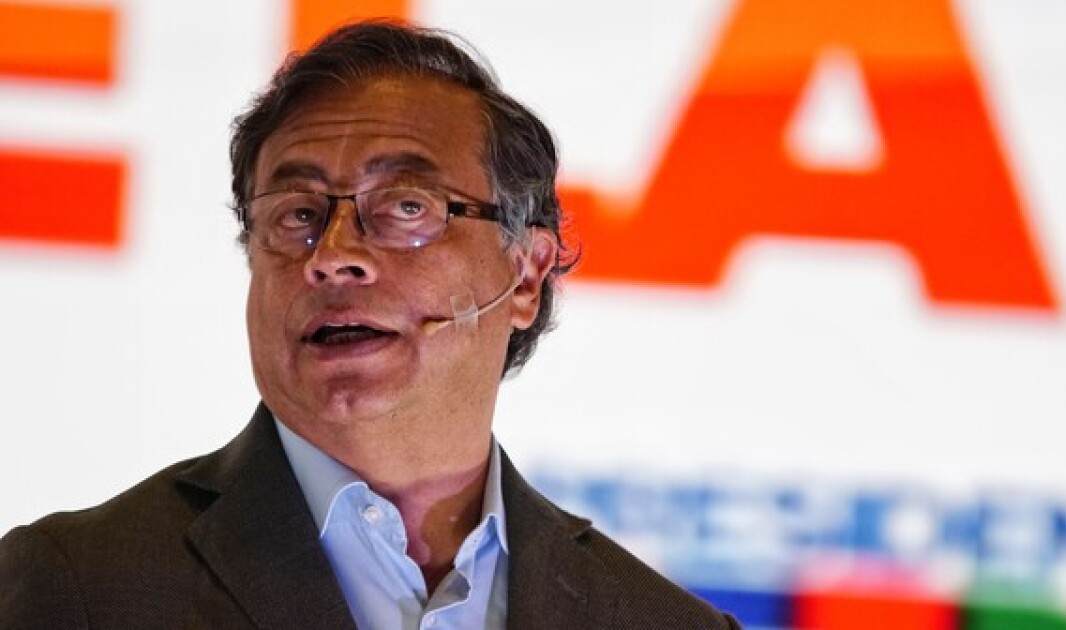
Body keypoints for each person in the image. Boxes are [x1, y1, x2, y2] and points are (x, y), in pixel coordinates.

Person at [0, 20, 739, 630]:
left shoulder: (659, 621)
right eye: (297, 215)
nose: (332, 256)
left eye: (407, 208)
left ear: (524, 274)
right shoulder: (75, 587)